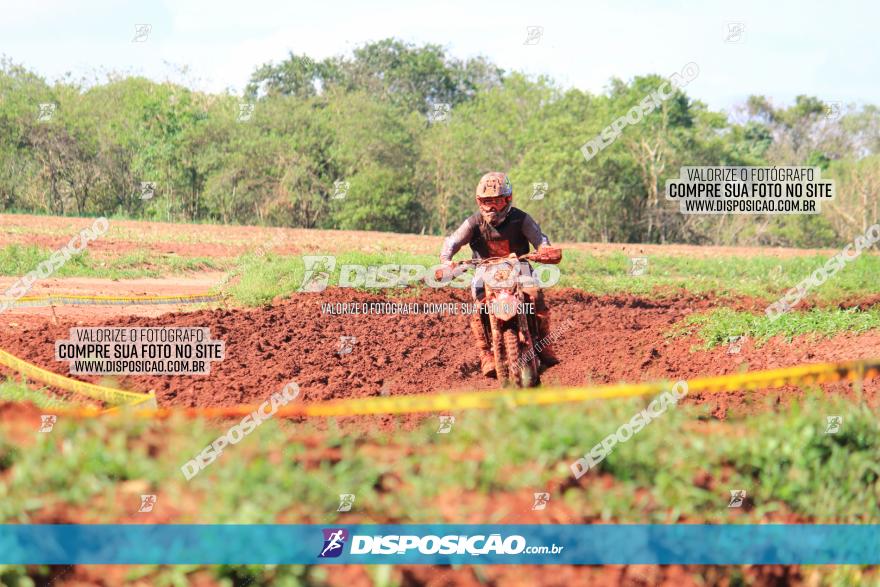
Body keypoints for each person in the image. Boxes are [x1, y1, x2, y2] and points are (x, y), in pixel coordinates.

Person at [435, 171, 561, 377]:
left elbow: (540, 239)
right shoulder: (474, 222)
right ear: (479, 202)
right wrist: (446, 261)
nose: (491, 207)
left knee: (536, 295)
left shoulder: (521, 219)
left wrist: (545, 250)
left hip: (519, 266)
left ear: (508, 199)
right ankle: (485, 354)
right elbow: (452, 241)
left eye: (497, 201)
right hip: (484, 269)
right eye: (486, 202)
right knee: (478, 306)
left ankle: (544, 344)